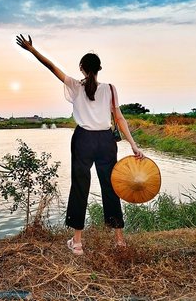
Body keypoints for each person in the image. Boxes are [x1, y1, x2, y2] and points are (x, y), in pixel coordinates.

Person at [16, 34, 143, 254]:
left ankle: (77, 243)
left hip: (83, 139)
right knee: (110, 186)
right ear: (99, 68)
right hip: (106, 142)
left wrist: (32, 50)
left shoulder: (75, 86)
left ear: (82, 68)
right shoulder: (110, 89)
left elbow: (51, 66)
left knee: (80, 186)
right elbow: (120, 118)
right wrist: (133, 144)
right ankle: (120, 240)